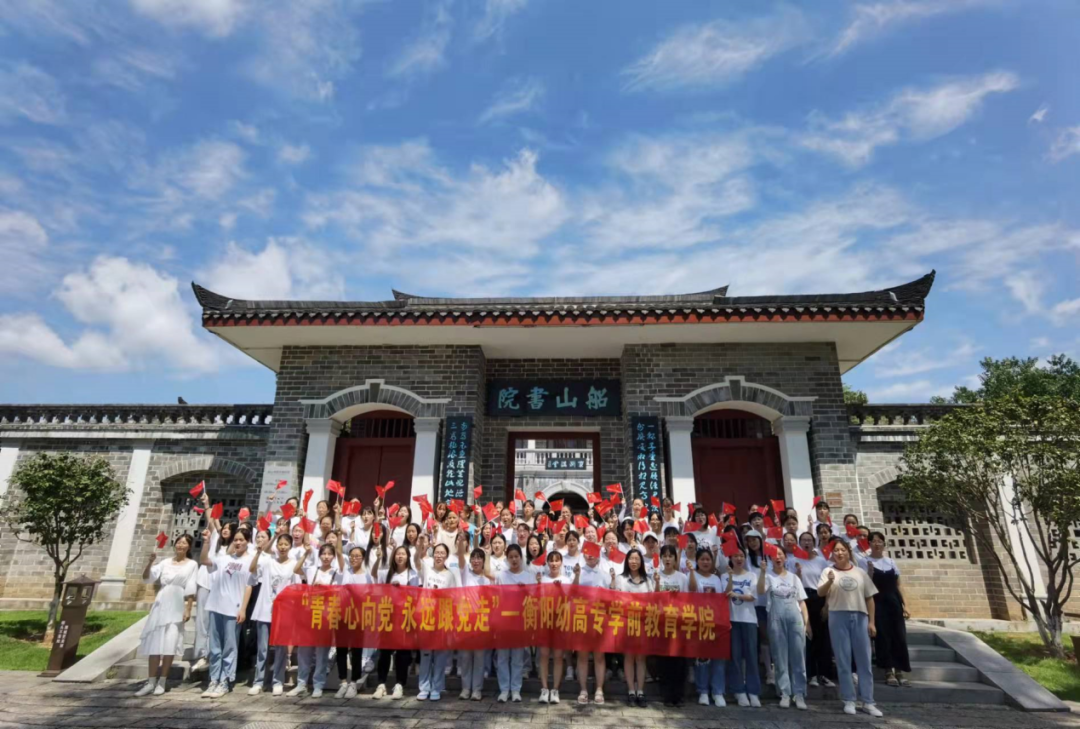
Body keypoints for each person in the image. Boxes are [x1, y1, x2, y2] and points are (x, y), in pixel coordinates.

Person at [818, 539, 882, 717]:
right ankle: (849, 699)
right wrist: (829, 582)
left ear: (848, 552)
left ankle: (868, 701)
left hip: (860, 616)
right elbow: (820, 592)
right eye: (836, 550)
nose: (839, 553)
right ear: (832, 554)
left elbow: (870, 598)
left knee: (864, 661)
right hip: (837, 616)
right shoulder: (827, 571)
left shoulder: (860, 572)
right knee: (843, 660)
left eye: (842, 550)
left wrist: (871, 622)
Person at [134, 534, 198, 697]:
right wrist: (150, 562)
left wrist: (188, 609)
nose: (180, 545)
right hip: (161, 602)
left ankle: (162, 681)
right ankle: (150, 682)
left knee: (170, 643)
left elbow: (191, 587)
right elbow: (147, 578)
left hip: (177, 603)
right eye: (179, 542)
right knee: (155, 644)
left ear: (189, 547)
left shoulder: (192, 564)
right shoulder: (165, 562)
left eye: (184, 543)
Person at [198, 525, 252, 699]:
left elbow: (249, 586)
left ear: (247, 541)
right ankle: (213, 679)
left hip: (233, 609)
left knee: (229, 646)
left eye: (241, 540)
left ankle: (226, 680)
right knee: (215, 647)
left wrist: (243, 609)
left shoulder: (250, 561)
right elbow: (204, 560)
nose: (238, 543)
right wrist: (206, 542)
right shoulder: (223, 559)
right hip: (215, 605)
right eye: (235, 540)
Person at [758, 544, 809, 710]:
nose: (778, 557)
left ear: (785, 557)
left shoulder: (794, 578)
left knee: (798, 656)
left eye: (780, 554)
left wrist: (806, 623)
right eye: (774, 555)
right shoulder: (768, 577)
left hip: (795, 618)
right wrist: (763, 572)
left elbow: (802, 602)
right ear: (770, 559)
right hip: (776, 618)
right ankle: (785, 693)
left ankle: (799, 693)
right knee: (780, 657)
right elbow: (760, 590)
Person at [289, 542, 342, 698]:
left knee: (321, 652)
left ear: (333, 557)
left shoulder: (337, 573)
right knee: (304, 652)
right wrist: (306, 554)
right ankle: (301, 683)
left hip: (325, 615)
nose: (326, 557)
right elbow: (296, 569)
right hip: (309, 614)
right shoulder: (313, 570)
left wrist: (325, 587)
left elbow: (339, 592)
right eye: (323, 554)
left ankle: (318, 684)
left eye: (329, 554)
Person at [247, 531, 296, 696]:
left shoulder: (293, 564)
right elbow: (252, 569)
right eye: (280, 544)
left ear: (290, 547)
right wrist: (261, 550)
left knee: (281, 648)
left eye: (286, 544)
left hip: (283, 611)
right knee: (262, 648)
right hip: (264, 609)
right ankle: (258, 681)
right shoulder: (268, 561)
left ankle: (278, 681)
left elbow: (295, 588)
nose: (283, 547)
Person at [371, 544, 419, 699]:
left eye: (403, 554)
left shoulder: (412, 574)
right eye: (398, 554)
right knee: (384, 652)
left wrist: (401, 589)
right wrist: (378, 559)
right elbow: (374, 576)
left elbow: (416, 595)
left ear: (408, 557)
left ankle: (400, 684)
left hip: (404, 617)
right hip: (387, 616)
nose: (400, 556)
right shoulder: (387, 573)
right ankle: (381, 684)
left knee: (402, 653)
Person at [653, 544, 697, 707]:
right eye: (664, 556)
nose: (667, 559)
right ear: (661, 559)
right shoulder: (657, 576)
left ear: (675, 559)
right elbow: (654, 599)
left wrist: (692, 572)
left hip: (679, 623)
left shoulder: (682, 577)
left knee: (679, 661)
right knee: (664, 661)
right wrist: (657, 583)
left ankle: (679, 695)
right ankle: (667, 695)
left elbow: (690, 595)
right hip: (663, 623)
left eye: (670, 556)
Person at [790, 532, 834, 687]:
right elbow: (792, 583)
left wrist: (826, 605)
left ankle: (824, 674)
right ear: (799, 543)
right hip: (802, 598)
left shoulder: (821, 561)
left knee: (823, 637)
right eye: (803, 540)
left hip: (819, 597)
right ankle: (811, 674)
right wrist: (798, 573)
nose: (806, 543)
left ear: (814, 543)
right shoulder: (793, 561)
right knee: (807, 636)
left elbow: (828, 584)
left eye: (809, 540)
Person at [867, 532, 911, 687]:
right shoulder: (866, 561)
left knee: (899, 636)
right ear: (869, 543)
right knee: (883, 637)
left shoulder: (891, 561)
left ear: (883, 544)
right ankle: (888, 671)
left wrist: (905, 605)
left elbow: (899, 585)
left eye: (880, 541)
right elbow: (866, 586)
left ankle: (899, 670)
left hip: (894, 602)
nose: (877, 544)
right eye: (874, 541)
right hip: (877, 603)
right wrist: (870, 572)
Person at [574, 547, 617, 705]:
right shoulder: (578, 572)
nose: (590, 555)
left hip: (600, 619)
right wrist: (576, 576)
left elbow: (612, 597)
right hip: (582, 618)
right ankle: (583, 689)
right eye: (587, 552)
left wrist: (613, 581)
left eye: (593, 553)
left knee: (599, 656)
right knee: (583, 656)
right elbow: (573, 592)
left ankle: (599, 689)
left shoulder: (605, 575)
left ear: (599, 555)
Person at [495, 544, 533, 702]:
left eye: (516, 556)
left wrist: (525, 592)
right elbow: (496, 599)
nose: (514, 559)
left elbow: (532, 600)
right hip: (504, 622)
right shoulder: (501, 576)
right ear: (507, 559)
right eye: (511, 557)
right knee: (503, 657)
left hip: (520, 622)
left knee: (517, 658)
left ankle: (516, 689)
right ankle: (504, 689)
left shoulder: (528, 576)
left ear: (521, 558)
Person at [725, 547, 761, 707]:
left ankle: (753, 691)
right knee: (735, 656)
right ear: (730, 558)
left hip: (749, 619)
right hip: (732, 619)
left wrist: (738, 595)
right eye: (735, 556)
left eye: (741, 556)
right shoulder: (725, 575)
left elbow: (753, 597)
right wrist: (730, 578)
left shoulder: (751, 575)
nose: (739, 559)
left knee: (751, 656)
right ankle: (739, 691)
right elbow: (725, 594)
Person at [334, 545, 371, 699]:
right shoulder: (345, 571)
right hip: (342, 615)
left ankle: (354, 682)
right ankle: (343, 682)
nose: (354, 558)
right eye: (351, 556)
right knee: (341, 649)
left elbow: (370, 596)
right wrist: (338, 533)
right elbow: (338, 552)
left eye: (357, 556)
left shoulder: (367, 576)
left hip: (358, 617)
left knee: (356, 651)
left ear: (363, 558)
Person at [457, 540, 492, 701]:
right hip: (466, 620)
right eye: (474, 558)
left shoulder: (488, 578)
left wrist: (488, 556)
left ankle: (477, 689)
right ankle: (465, 688)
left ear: (483, 561)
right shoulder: (466, 573)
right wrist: (461, 541)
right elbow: (460, 557)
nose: (476, 561)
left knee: (479, 657)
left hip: (481, 621)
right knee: (465, 657)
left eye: (479, 558)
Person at [692, 547, 725, 707]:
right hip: (699, 620)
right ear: (697, 561)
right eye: (702, 559)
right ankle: (703, 691)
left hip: (716, 621)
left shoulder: (716, 579)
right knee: (702, 658)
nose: (705, 562)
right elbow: (691, 592)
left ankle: (718, 691)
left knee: (718, 657)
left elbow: (721, 600)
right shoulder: (692, 575)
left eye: (708, 559)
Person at [619, 548, 651, 707]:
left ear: (641, 562)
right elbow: (616, 598)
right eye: (631, 559)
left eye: (637, 559)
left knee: (641, 658)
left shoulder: (648, 580)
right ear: (627, 561)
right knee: (629, 656)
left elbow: (653, 599)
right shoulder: (621, 579)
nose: (634, 562)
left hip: (644, 623)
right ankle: (631, 690)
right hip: (626, 623)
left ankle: (641, 691)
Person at [536, 550, 567, 704]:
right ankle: (544, 688)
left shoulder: (566, 580)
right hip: (544, 620)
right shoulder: (542, 579)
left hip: (560, 621)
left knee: (558, 656)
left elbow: (570, 600)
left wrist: (560, 589)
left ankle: (555, 689)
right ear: (547, 563)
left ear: (561, 562)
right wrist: (538, 585)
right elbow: (536, 599)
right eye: (551, 560)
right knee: (543, 654)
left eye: (557, 560)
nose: (554, 563)